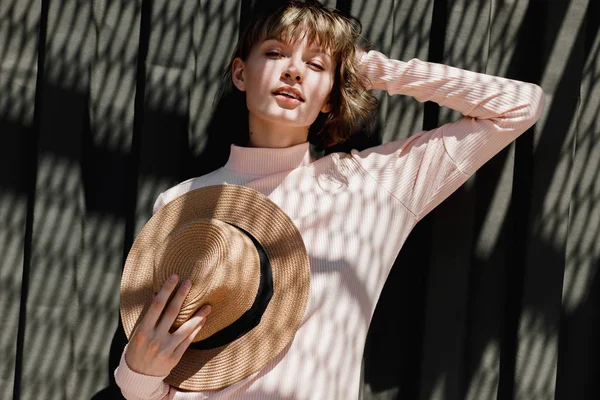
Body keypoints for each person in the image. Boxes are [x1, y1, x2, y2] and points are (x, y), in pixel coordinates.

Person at [114, 0, 545, 399]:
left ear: (331, 96)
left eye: (315, 65)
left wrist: (371, 69)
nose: (294, 72)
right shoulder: (184, 201)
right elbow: (168, 384)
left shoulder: (371, 187)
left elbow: (520, 106)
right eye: (275, 53)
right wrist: (136, 373)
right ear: (240, 73)